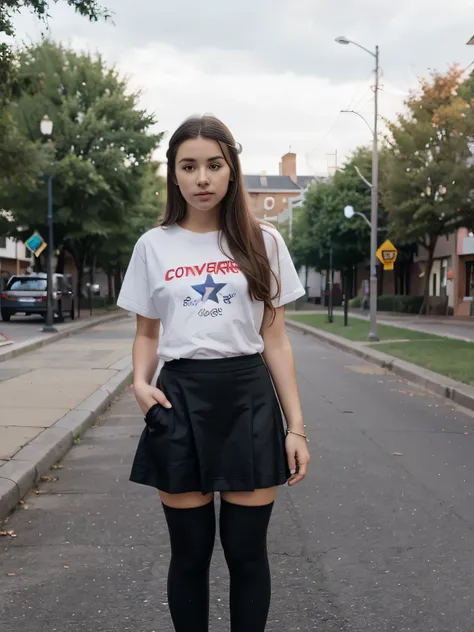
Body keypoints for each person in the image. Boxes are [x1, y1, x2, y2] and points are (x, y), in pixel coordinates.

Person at [117, 115, 310, 632]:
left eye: (213, 165)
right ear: (174, 175)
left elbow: (275, 338)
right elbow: (147, 334)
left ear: (231, 171)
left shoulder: (263, 241)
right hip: (179, 399)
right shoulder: (152, 246)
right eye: (189, 166)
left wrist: (296, 427)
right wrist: (140, 382)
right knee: (190, 555)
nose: (201, 177)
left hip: (248, 397)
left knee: (248, 554)